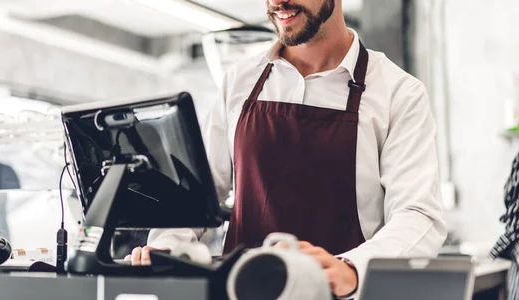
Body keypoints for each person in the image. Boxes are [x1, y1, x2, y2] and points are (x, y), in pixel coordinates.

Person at [127, 0, 446, 297]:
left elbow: (417, 214)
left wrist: (353, 268)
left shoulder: (398, 93)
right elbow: (197, 193)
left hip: (336, 294)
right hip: (240, 291)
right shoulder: (240, 81)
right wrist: (169, 245)